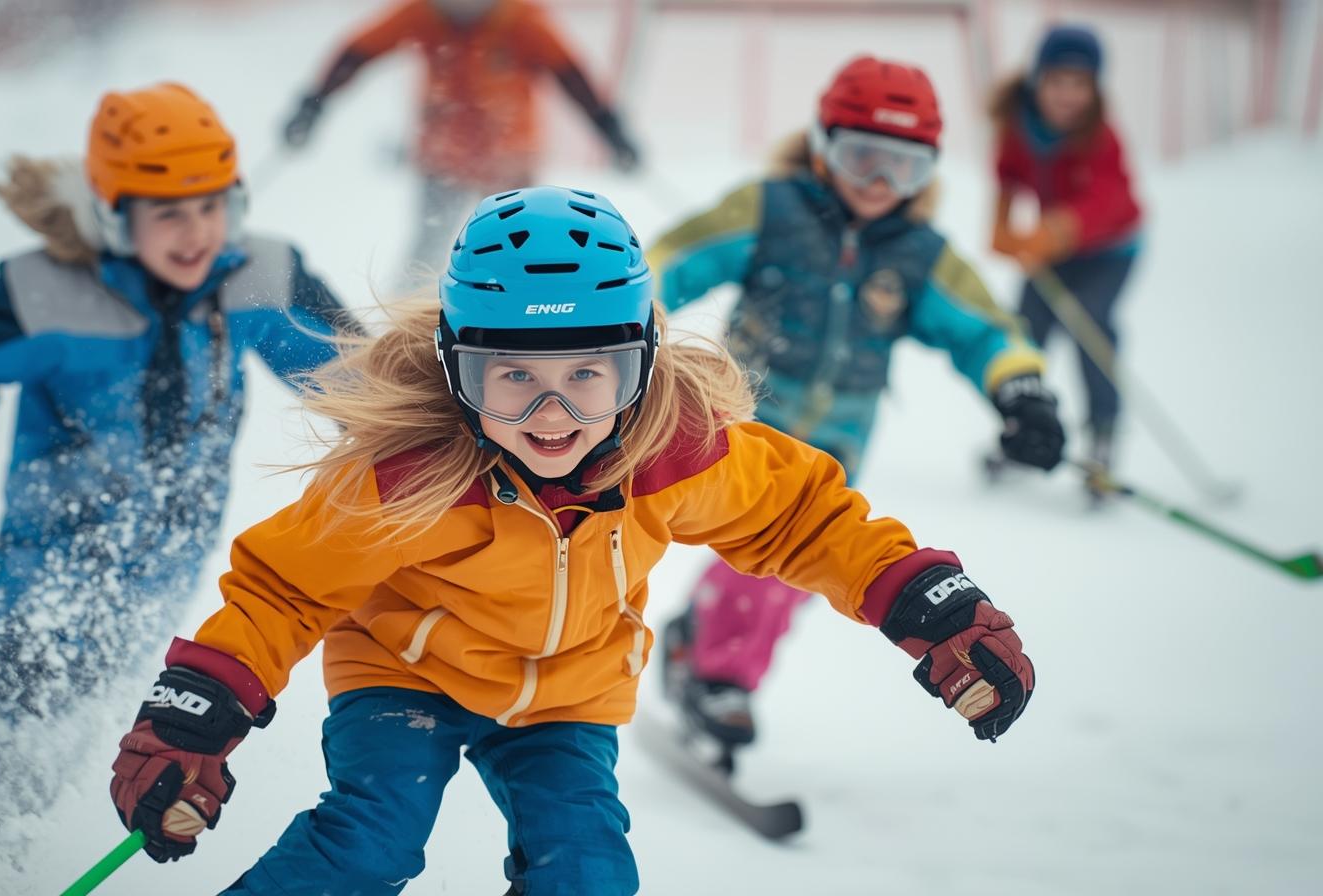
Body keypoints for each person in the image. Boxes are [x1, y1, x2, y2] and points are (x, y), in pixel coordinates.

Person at [105, 186, 1037, 895]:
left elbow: (804, 516)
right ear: (454, 366)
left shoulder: (675, 450)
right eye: (509, 376)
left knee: (586, 870)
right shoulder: (417, 471)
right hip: (408, 672)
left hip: (567, 688)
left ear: (643, 361)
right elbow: (286, 588)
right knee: (373, 836)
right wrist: (197, 708)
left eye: (589, 374)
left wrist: (923, 599)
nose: (551, 415)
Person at [0, 83, 354, 890]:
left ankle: (45, 820)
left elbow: (359, 378)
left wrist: (436, 441)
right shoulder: (56, 293)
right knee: (27, 704)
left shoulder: (254, 279)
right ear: (114, 217)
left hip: (164, 563)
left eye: (214, 207)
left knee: (89, 710)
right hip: (50, 552)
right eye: (167, 213)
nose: (196, 233)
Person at [648, 56, 1065, 752]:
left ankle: (709, 660)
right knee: (761, 565)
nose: (878, 184)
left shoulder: (918, 255)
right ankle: (715, 668)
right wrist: (623, 323)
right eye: (861, 158)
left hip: (833, 445)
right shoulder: (769, 210)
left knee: (791, 571)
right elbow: (666, 260)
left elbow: (984, 329)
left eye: (902, 168)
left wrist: (1018, 386)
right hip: (743, 424)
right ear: (822, 145)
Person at [281, 0, 641, 282]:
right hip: (444, 157)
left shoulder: (521, 20)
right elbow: (357, 53)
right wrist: (314, 104)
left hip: (508, 161)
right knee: (427, 249)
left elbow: (571, 75)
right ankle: (407, 326)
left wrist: (611, 129)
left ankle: (518, 318)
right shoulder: (421, 14)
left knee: (516, 244)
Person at [990, 24, 1142, 496]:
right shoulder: (1020, 127)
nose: (1068, 95)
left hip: (1108, 252)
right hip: (1051, 253)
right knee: (1024, 332)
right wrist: (1001, 222)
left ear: (1095, 90)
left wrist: (1057, 230)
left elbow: (1109, 200)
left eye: (1081, 84)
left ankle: (1102, 435)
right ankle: (1024, 428)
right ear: (1038, 80)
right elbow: (1008, 174)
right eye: (1059, 81)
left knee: (1089, 327)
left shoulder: (1103, 138)